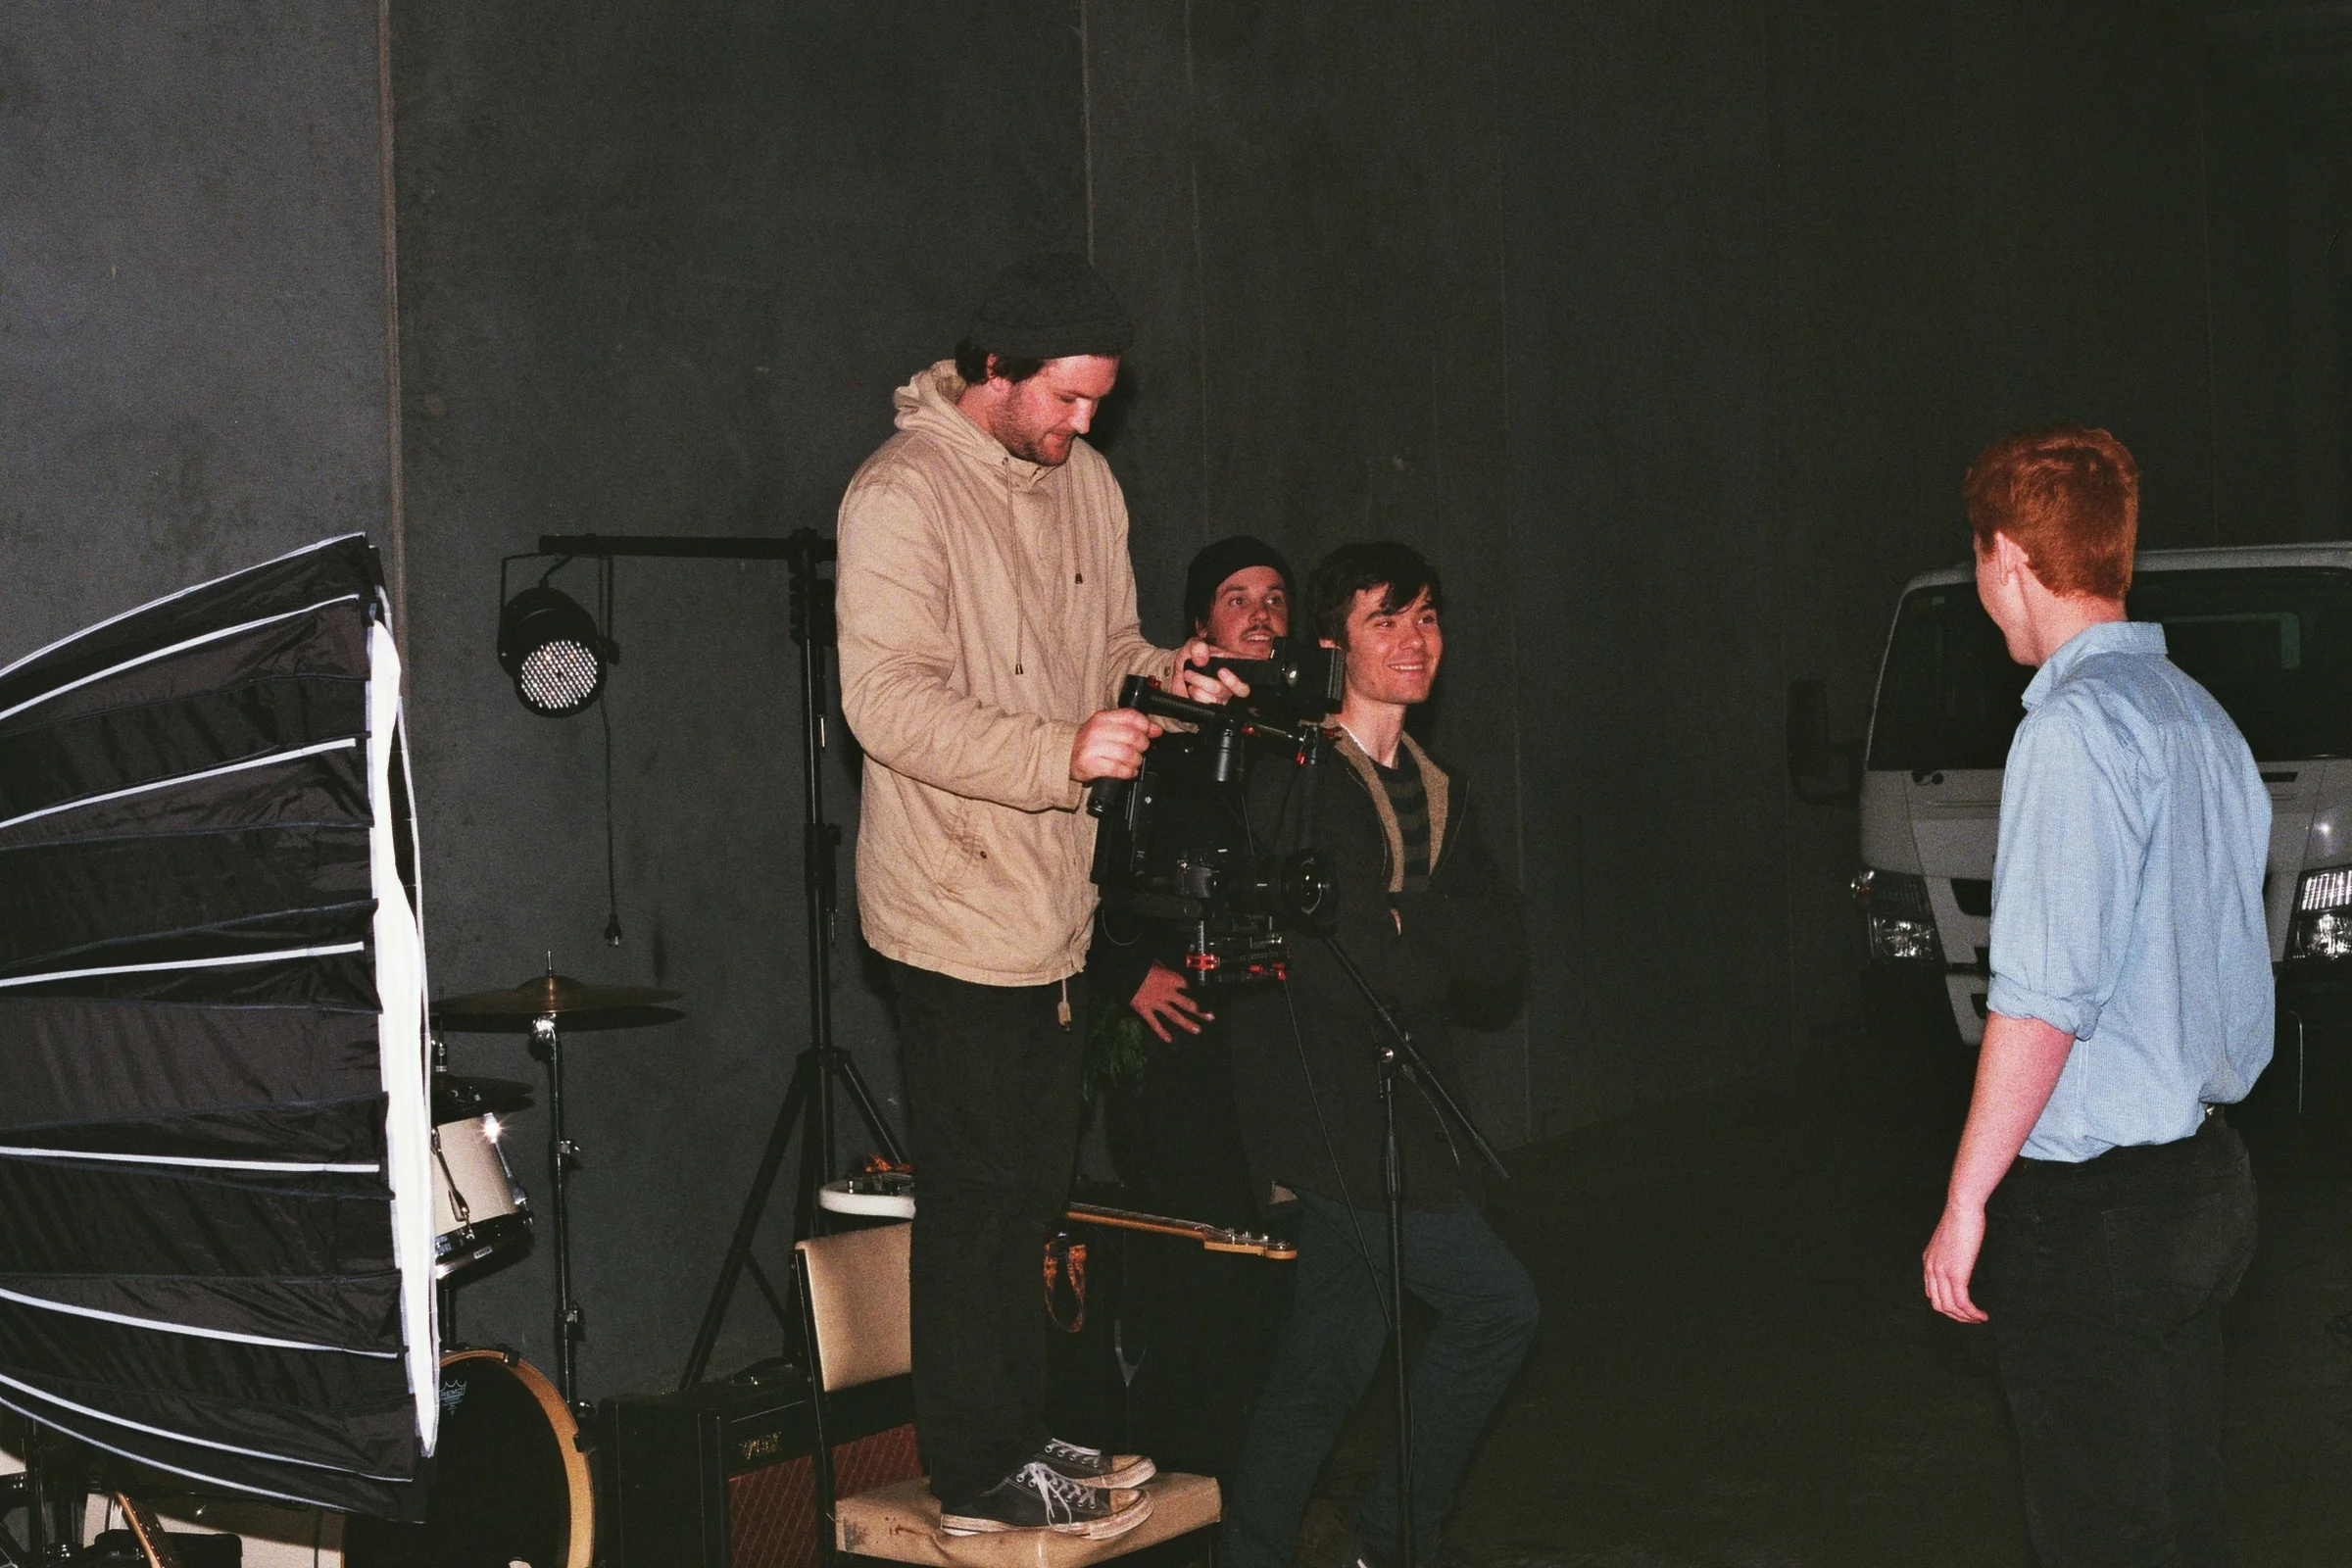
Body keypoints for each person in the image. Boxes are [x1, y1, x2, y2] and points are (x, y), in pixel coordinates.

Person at [835, 253, 1243, 1538]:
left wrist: (1165, 673)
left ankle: (1017, 1427)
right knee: (974, 1200)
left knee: (1032, 1191)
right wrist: (1058, 752)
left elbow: (1107, 646)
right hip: (950, 903)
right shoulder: (898, 495)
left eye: (1100, 402)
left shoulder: (1089, 483)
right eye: (1066, 398)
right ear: (997, 370)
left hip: (1053, 905)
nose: (1085, 422)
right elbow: (884, 701)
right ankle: (975, 1467)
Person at [1921, 425, 2271, 1567]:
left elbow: (2042, 1001)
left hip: (2099, 1216)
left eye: (1979, 556)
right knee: (2184, 1513)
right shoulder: (2200, 719)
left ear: (2008, 558)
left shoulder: (2073, 731)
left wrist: (1968, 1197)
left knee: (2102, 1532)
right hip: (2205, 1181)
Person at [1219, 541, 1536, 1568]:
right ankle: (1398, 1536)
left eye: (1427, 616)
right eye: (1385, 620)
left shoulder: (1438, 786)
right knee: (1497, 1308)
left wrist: (1411, 919)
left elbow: (1504, 946)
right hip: (1334, 1110)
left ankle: (1255, 1550)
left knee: (1328, 1359)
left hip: (1399, 1103)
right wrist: (1420, 933)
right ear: (1333, 646)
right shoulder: (1301, 778)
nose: (1415, 640)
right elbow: (1347, 962)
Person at [1087, 535, 1297, 1479]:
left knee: (1267, 1276)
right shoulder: (1161, 731)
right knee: (1193, 1272)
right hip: (1177, 1046)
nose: (1260, 614)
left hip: (1265, 1042)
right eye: (1236, 598)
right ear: (1200, 624)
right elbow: (1080, 867)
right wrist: (1127, 974)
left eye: (1275, 597)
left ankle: (1251, 1488)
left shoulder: (1294, 736)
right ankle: (1180, 1484)